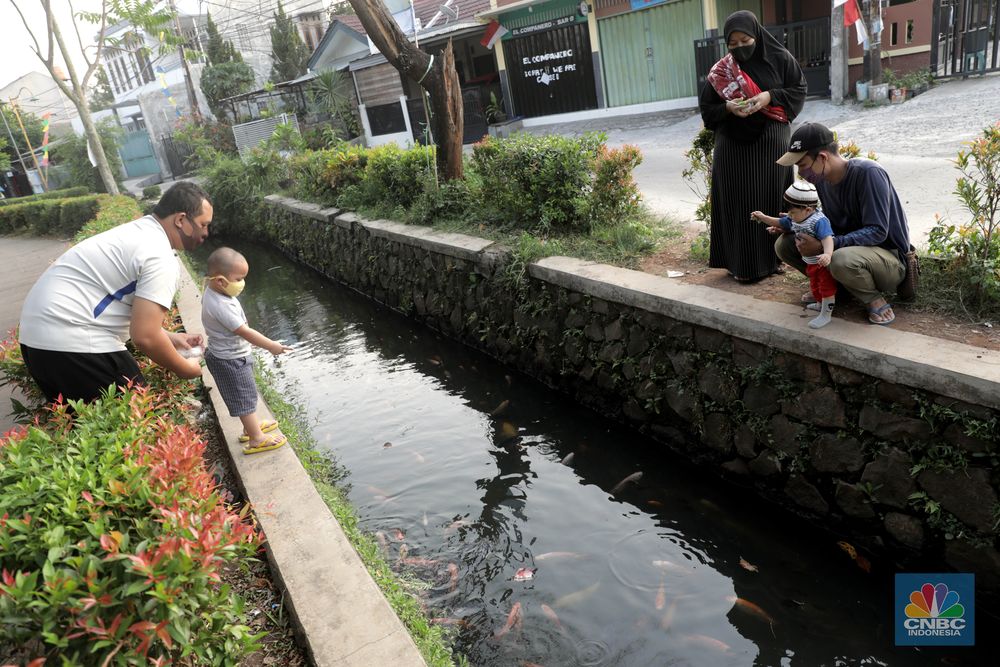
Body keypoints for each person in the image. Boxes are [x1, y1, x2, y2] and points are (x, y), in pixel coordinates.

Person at [18, 182, 212, 403]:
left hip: (36, 341)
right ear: (180, 219)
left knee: (89, 428)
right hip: (73, 341)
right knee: (136, 414)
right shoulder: (160, 257)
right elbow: (145, 337)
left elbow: (112, 301)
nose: (205, 233)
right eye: (202, 224)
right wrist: (186, 369)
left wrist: (171, 338)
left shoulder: (137, 232)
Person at [698, 10, 807, 283]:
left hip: (770, 144)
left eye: (744, 40)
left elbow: (799, 90)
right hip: (733, 146)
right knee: (737, 203)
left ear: (756, 34)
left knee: (769, 200)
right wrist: (728, 107)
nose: (739, 48)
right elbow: (707, 110)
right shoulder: (722, 71)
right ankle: (738, 264)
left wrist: (769, 96)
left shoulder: (780, 59)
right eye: (732, 44)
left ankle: (774, 260)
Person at [775, 123, 911, 325]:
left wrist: (825, 246)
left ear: (822, 157)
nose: (801, 173)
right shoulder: (821, 181)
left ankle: (873, 299)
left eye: (802, 165)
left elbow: (877, 232)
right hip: (849, 253)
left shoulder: (868, 173)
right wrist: (798, 224)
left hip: (888, 260)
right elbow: (826, 223)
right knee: (785, 243)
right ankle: (835, 288)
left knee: (839, 258)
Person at [201, 246, 291, 454]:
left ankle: (249, 427)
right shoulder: (220, 304)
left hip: (231, 354)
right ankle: (256, 439)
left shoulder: (214, 289)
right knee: (243, 397)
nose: (242, 283)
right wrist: (271, 346)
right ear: (221, 280)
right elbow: (244, 331)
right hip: (230, 359)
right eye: (239, 278)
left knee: (246, 393)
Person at [752, 181, 836, 328]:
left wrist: (827, 254)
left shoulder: (818, 221)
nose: (789, 216)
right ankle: (819, 303)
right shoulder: (796, 217)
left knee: (826, 287)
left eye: (792, 213)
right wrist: (763, 217)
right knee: (814, 284)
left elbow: (827, 238)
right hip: (809, 261)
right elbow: (779, 222)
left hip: (820, 262)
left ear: (808, 210)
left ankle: (826, 314)